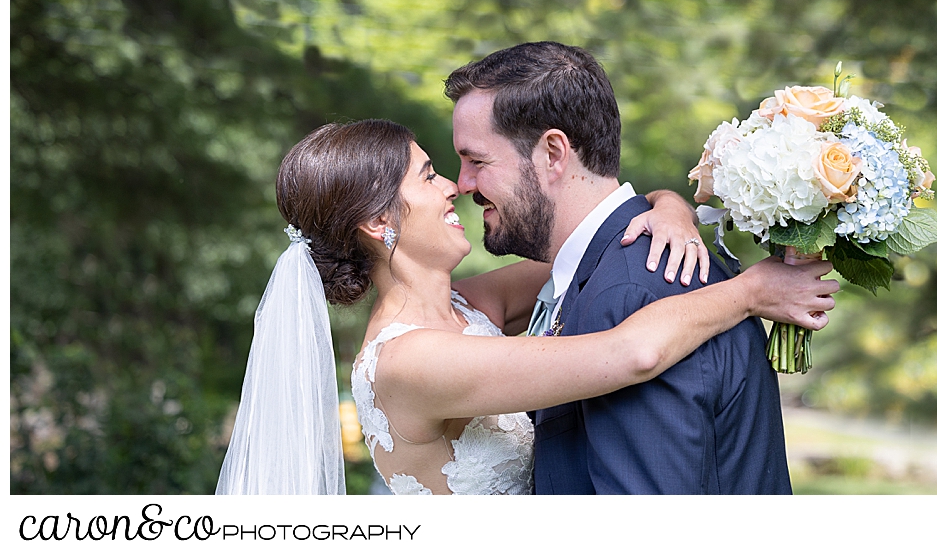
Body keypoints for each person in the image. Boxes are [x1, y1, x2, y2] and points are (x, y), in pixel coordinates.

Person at [216, 118, 837, 495]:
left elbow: (593, 238)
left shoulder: (471, 305)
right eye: (429, 175)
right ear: (381, 221)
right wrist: (752, 292)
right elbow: (631, 353)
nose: (454, 186)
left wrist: (669, 205)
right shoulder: (409, 363)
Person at [444, 41, 817, 493]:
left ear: (553, 153)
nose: (462, 184)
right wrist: (670, 201)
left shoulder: (631, 291)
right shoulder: (610, 267)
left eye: (476, 161)